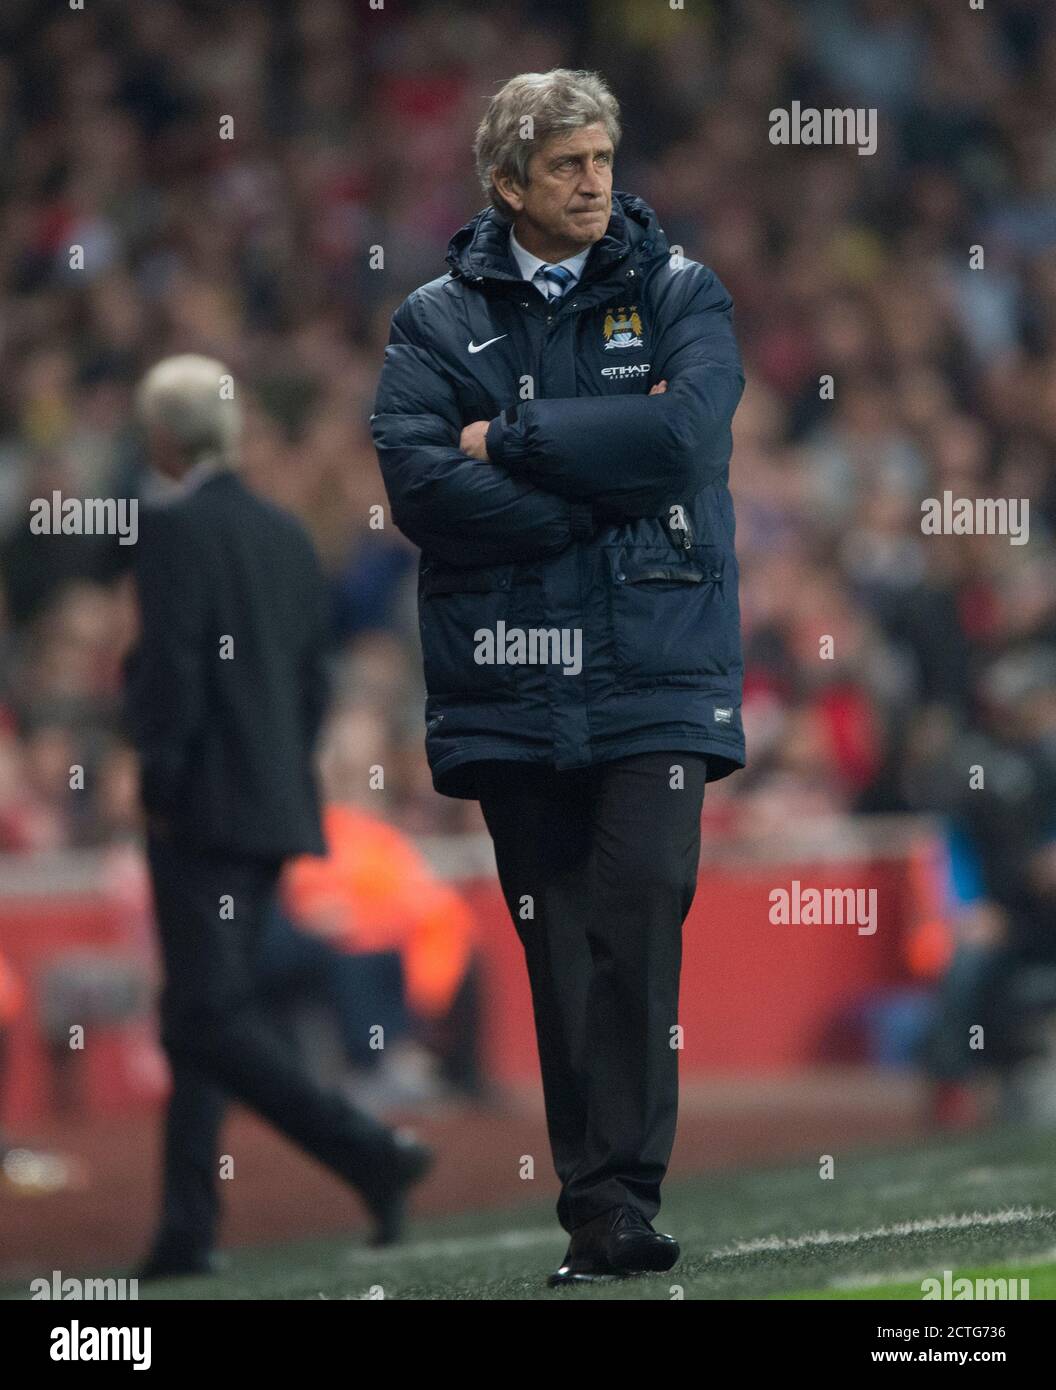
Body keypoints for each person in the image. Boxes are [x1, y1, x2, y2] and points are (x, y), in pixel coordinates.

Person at [371, 70, 745, 1284]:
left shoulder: (680, 287)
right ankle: (603, 1209)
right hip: (510, 677)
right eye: (569, 165)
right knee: (558, 938)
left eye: (603, 159)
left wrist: (519, 441)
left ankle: (621, 1186)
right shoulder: (433, 318)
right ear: (508, 184)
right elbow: (421, 486)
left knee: (642, 906)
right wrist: (594, 488)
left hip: (657, 664)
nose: (595, 182)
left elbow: (684, 441)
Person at [126, 354, 432, 1280]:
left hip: (202, 816)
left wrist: (164, 787)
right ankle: (188, 1226)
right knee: (200, 1010)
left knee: (205, 1015)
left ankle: (367, 1150)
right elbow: (310, 685)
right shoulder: (289, 534)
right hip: (274, 805)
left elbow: (170, 678)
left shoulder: (173, 532)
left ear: (166, 438)